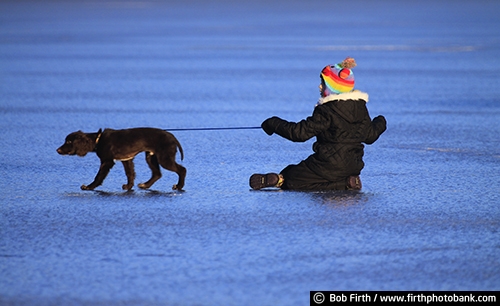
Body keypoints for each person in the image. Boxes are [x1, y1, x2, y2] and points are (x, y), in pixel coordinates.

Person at [249, 57, 387, 191]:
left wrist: (273, 123)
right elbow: (370, 136)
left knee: (293, 177)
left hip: (326, 165)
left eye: (323, 83)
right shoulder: (360, 108)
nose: (319, 86)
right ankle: (347, 182)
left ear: (333, 88)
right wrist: (380, 122)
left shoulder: (327, 110)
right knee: (320, 177)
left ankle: (281, 180)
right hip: (353, 165)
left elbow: (299, 133)